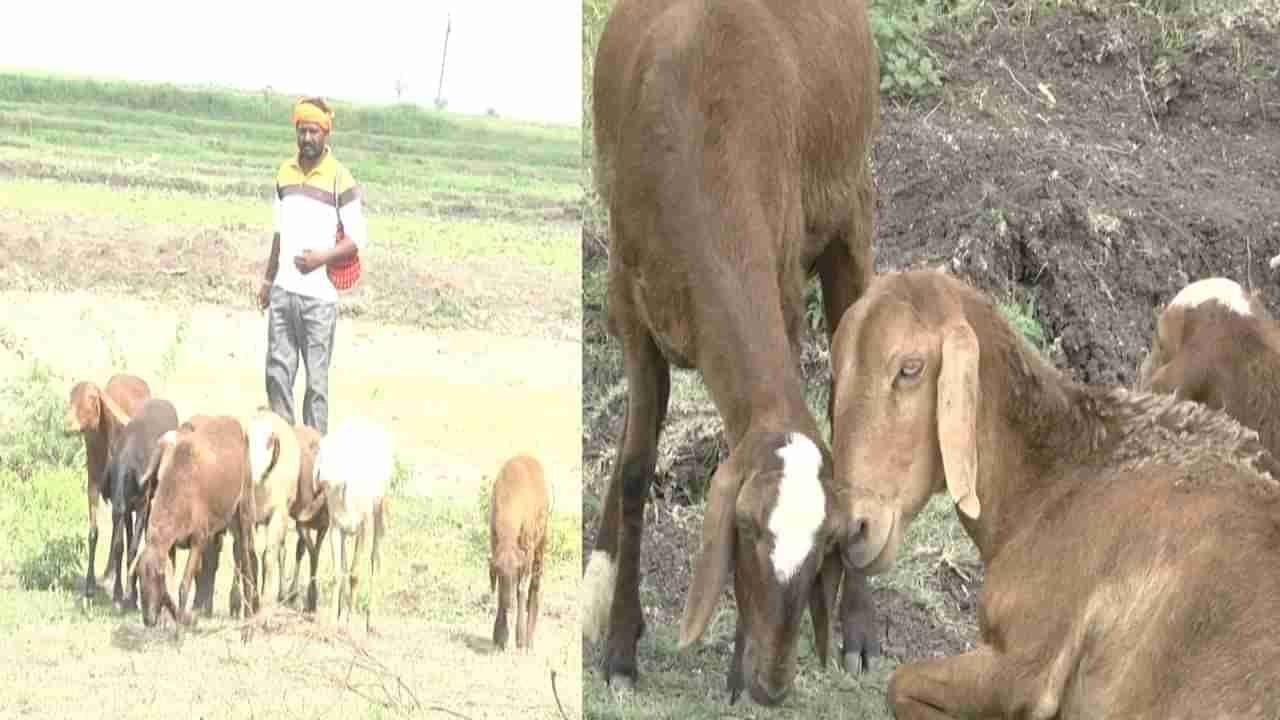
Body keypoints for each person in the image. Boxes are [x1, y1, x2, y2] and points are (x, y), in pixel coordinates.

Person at [255, 97, 368, 434]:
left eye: (314, 131)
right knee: (277, 374)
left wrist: (322, 258)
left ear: (326, 134)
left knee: (316, 386)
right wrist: (267, 280)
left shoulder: (340, 179)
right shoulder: (284, 173)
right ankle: (285, 449)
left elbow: (357, 239)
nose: (307, 138)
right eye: (302, 131)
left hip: (319, 300)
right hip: (283, 292)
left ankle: (315, 458)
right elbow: (279, 233)